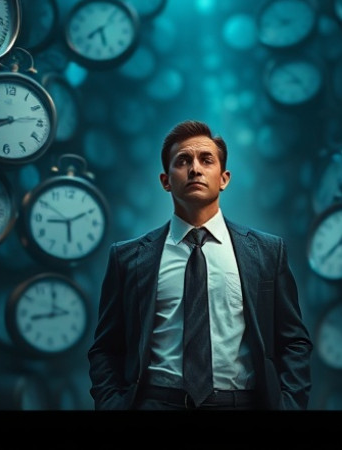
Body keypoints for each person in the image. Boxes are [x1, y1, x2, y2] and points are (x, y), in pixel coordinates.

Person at [88, 119, 312, 410]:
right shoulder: (128, 258)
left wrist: (290, 406)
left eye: (206, 160)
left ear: (224, 178)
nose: (195, 169)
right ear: (165, 181)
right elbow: (106, 348)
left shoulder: (267, 252)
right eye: (183, 161)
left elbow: (293, 342)